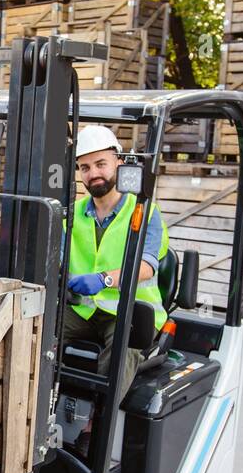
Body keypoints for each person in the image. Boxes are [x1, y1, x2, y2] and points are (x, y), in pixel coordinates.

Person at [63, 124, 168, 403]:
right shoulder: (71, 215)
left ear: (119, 163)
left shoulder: (144, 211)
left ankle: (95, 429)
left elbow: (146, 267)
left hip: (130, 312)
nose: (93, 173)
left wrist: (104, 279)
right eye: (85, 167)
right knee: (34, 328)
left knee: (123, 345)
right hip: (83, 310)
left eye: (101, 164)